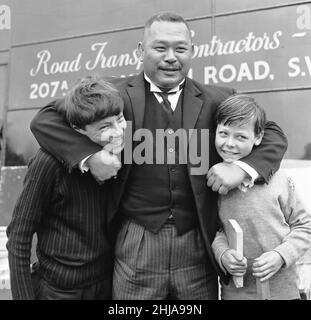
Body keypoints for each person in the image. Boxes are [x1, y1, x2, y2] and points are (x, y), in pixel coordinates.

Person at [30, 12, 288, 300]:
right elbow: (46, 118)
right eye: (160, 47)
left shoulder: (217, 99)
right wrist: (90, 158)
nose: (170, 57)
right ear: (141, 51)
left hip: (197, 242)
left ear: (193, 52)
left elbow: (273, 133)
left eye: (180, 48)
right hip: (134, 240)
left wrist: (241, 168)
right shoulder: (114, 95)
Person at [6, 76, 126, 300]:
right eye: (105, 127)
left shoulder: (120, 154)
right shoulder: (47, 163)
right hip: (59, 292)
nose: (119, 131)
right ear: (77, 129)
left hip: (107, 286)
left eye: (120, 119)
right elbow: (18, 238)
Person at [211, 94, 311, 300]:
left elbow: (305, 226)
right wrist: (223, 255)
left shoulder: (279, 180)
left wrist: (280, 255)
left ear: (258, 138)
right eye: (223, 133)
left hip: (283, 292)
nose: (229, 143)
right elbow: (215, 230)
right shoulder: (214, 182)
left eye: (241, 137)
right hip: (236, 294)